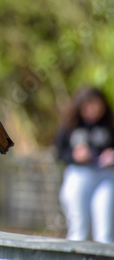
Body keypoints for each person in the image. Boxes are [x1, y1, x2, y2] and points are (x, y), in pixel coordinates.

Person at [56, 87, 114, 243]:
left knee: (105, 232)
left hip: (105, 177)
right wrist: (75, 156)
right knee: (79, 230)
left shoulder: (109, 124)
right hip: (78, 176)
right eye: (88, 105)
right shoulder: (70, 125)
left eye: (96, 105)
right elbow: (59, 153)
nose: (93, 110)